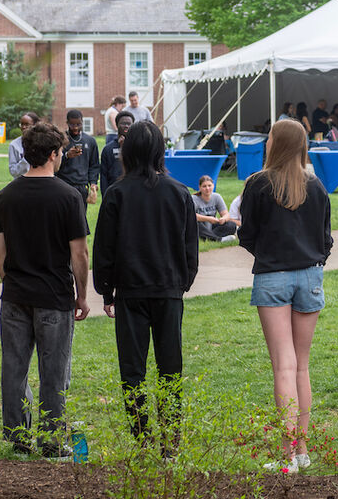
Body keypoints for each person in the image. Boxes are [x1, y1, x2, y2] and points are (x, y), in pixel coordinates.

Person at [92, 120, 198, 448]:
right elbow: (189, 248)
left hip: (131, 292)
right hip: (167, 291)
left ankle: (143, 440)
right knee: (170, 368)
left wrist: (106, 290)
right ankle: (170, 441)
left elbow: (104, 248)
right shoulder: (179, 192)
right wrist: (183, 282)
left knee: (133, 370)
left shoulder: (117, 194)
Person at [238, 119, 332, 473]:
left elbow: (247, 234)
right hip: (310, 275)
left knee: (284, 366)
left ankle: (288, 456)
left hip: (273, 276)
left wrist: (269, 253)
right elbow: (326, 239)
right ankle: (303, 450)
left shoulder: (258, 184)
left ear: (275, 143)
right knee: (301, 366)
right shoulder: (316, 185)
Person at [0, 122, 90, 458]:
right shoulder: (68, 196)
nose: (62, 156)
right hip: (54, 295)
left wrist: (13, 283)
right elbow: (79, 253)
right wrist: (82, 295)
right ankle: (51, 440)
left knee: (14, 369)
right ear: (52, 154)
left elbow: (0, 255)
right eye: (61, 152)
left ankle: (19, 437)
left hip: (16, 295)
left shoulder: (4, 196)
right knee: (54, 372)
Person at [57, 109, 100, 209]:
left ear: (82, 122)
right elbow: (54, 163)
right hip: (64, 184)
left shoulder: (90, 141)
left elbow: (94, 165)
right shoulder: (61, 139)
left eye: (78, 124)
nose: (75, 128)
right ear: (67, 123)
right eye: (72, 124)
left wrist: (93, 182)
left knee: (80, 217)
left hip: (82, 186)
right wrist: (67, 155)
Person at [192, 175, 237, 242]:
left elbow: (226, 214)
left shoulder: (217, 197)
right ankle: (218, 239)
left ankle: (208, 237)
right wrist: (208, 219)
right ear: (200, 187)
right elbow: (191, 216)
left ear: (213, 185)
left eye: (209, 185)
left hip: (212, 226)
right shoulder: (194, 198)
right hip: (200, 226)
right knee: (194, 224)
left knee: (231, 225)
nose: (207, 188)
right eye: (204, 186)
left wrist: (223, 219)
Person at [100, 110, 134, 196]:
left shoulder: (137, 147)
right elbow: (103, 175)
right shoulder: (108, 149)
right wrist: (105, 195)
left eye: (129, 123)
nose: (126, 126)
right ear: (117, 125)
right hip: (114, 191)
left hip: (133, 191)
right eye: (123, 123)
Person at [8, 112, 39, 179]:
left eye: (27, 124)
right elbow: (13, 171)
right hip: (21, 183)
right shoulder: (14, 145)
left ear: (35, 125)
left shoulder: (42, 143)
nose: (23, 127)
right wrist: (26, 159)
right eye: (22, 124)